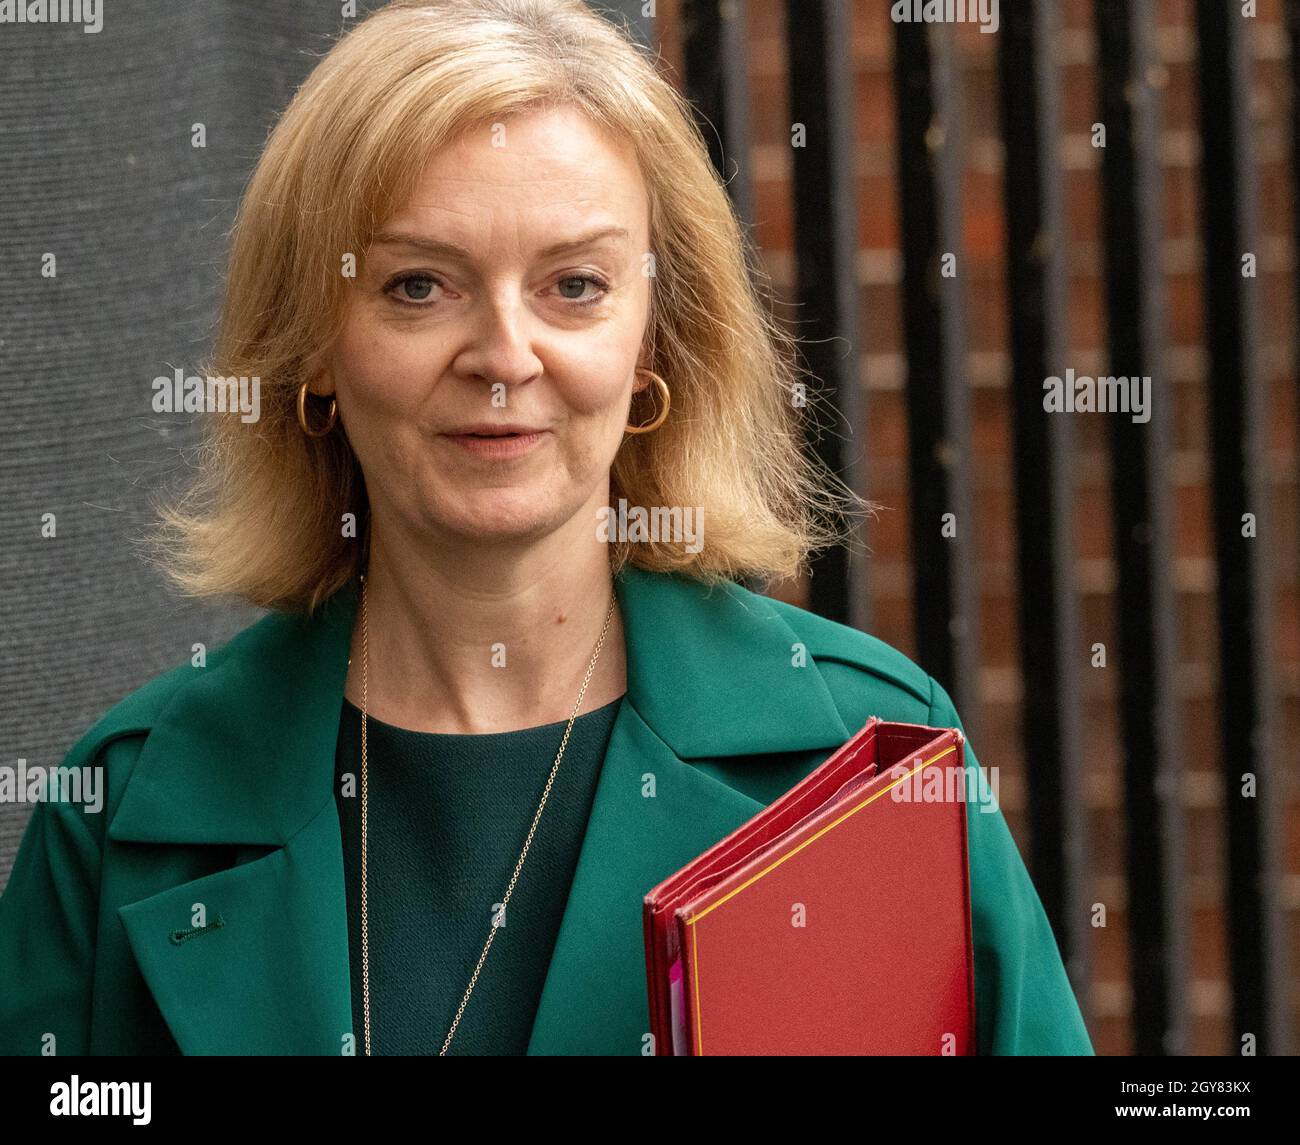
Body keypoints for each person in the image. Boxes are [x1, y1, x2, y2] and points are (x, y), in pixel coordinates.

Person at [0, 0, 1092, 1056]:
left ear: (654, 339)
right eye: (418, 286)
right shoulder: (127, 811)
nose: (504, 355)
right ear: (313, 345)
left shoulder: (861, 767)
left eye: (574, 284)